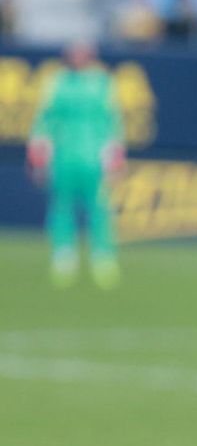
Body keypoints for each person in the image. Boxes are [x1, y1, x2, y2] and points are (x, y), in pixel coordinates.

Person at [27, 41, 125, 289]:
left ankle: (102, 257)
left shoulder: (103, 82)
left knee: (99, 209)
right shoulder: (57, 81)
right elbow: (44, 119)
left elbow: (113, 121)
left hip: (94, 158)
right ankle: (64, 256)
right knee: (61, 206)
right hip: (63, 156)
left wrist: (115, 156)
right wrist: (39, 154)